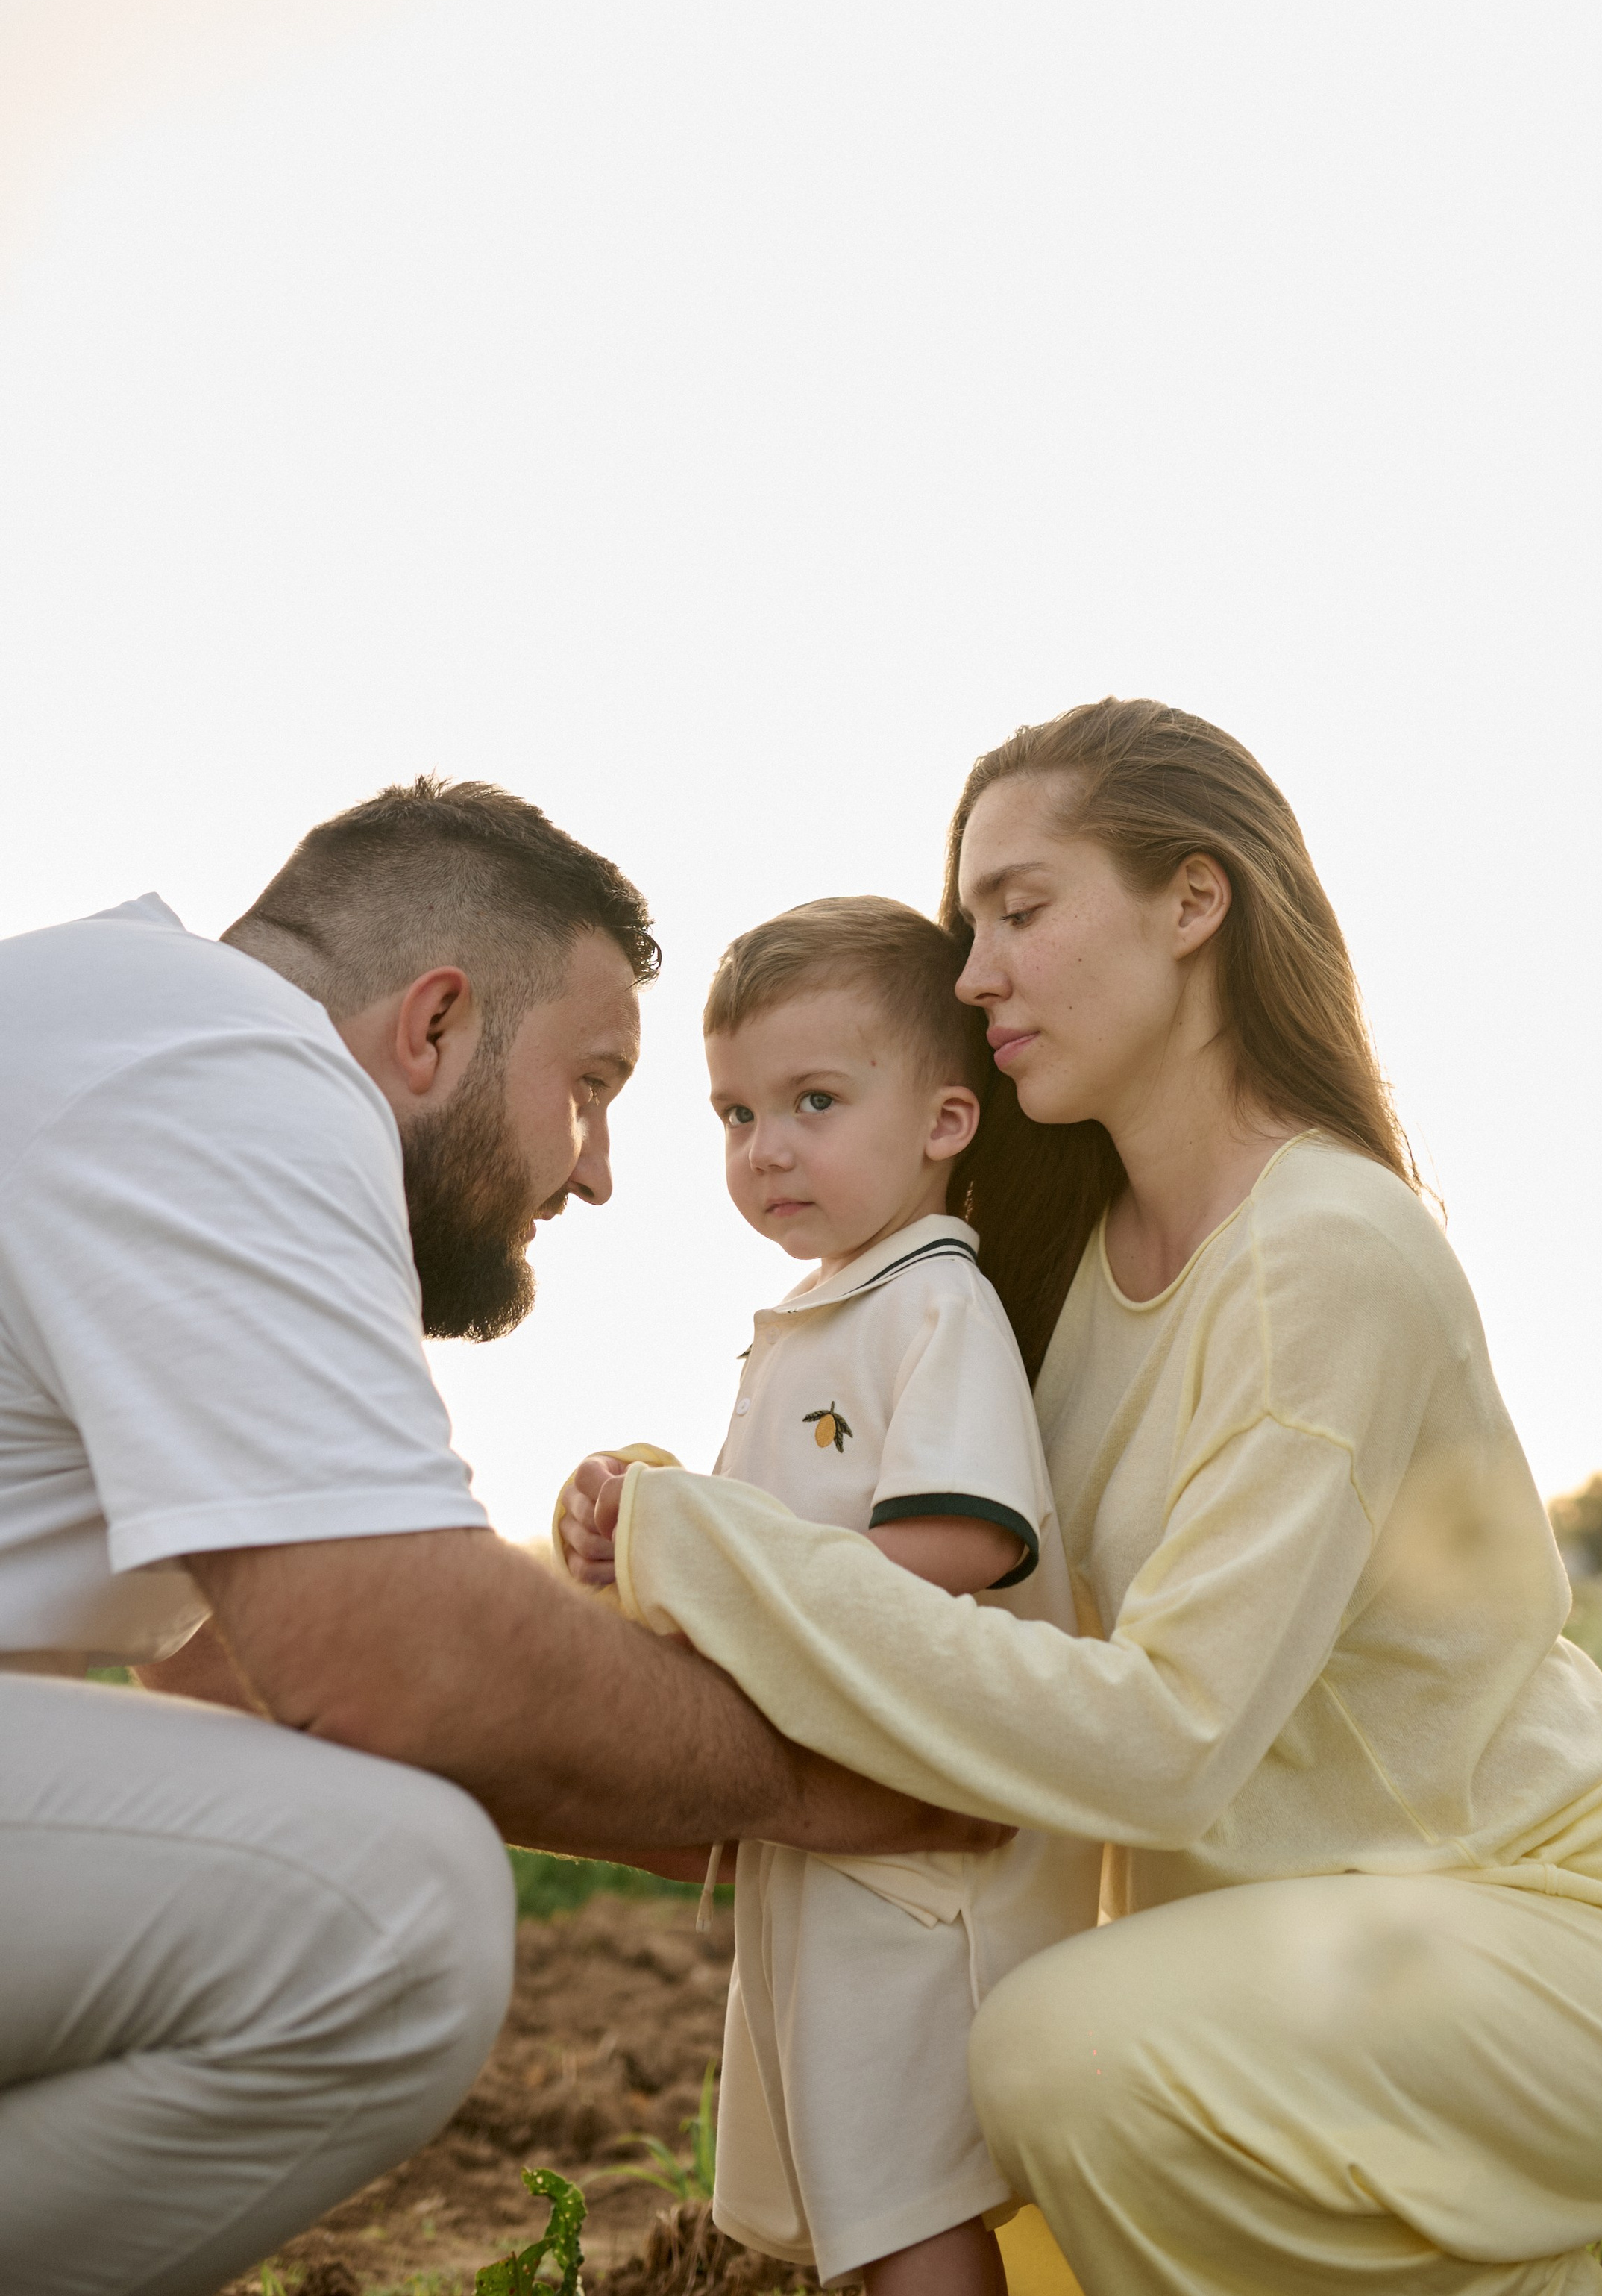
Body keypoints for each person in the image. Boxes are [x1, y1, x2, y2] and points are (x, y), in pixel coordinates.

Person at [562, 699, 1602, 2296]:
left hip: (1589, 1949)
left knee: (1064, 2060)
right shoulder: (1066, 1273)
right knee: (1016, 2167)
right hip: (1317, 1961)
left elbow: (1161, 1742)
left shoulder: (1321, 1252)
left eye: (1021, 908)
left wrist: (712, 1556)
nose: (971, 973)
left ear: (1191, 904)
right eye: (965, 925)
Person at [0, 780, 1002, 2296]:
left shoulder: (119, 1038)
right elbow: (394, 1652)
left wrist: (755, 1820)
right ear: (437, 1024)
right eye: (590, 1082)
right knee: (395, 1909)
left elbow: (233, 1675)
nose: (597, 1166)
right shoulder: (237, 1069)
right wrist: (826, 1778)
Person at [560, 898, 1100, 2295]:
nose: (768, 1148)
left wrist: (718, 1568)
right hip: (830, 1828)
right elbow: (769, 1555)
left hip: (921, 1852)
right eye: (737, 1114)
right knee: (849, 2182)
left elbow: (956, 1544)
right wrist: (644, 1524)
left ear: (943, 1122)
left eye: (813, 1100)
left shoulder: (937, 1308)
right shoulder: (821, 1315)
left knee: (913, 2192)